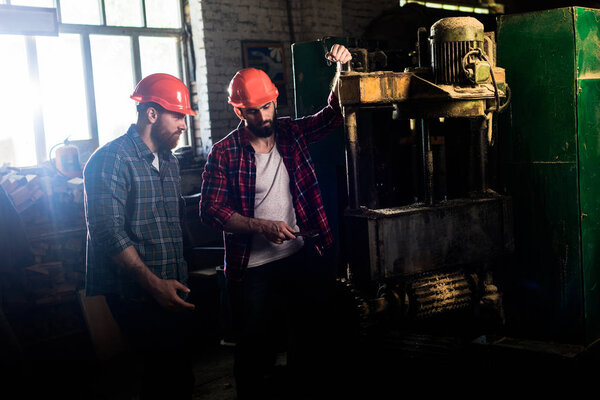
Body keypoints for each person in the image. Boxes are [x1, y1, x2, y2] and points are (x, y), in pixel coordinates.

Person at [199, 44, 351, 399]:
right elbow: (210, 211)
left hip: (300, 256)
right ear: (240, 111)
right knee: (255, 348)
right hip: (253, 269)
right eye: (253, 112)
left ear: (275, 101)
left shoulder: (290, 133)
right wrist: (260, 225)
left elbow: (332, 115)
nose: (264, 118)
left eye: (267, 107)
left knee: (307, 339)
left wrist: (341, 70)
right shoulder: (224, 153)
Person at [83, 73, 197, 400]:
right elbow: (108, 233)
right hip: (135, 292)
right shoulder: (110, 159)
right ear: (151, 113)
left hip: (172, 284)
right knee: (158, 378)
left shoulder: (169, 161)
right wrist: (155, 285)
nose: (183, 126)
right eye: (177, 116)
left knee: (180, 376)